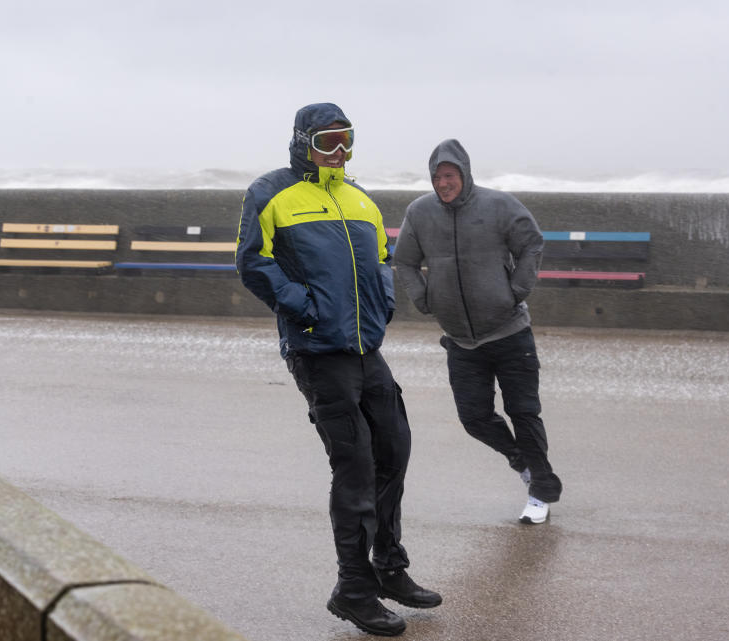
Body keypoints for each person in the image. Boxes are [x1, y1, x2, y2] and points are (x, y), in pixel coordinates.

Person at [235, 102, 441, 637]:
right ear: (304, 141)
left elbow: (381, 259)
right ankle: (353, 589)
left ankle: (388, 569)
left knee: (394, 448)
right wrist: (304, 307)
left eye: (346, 140)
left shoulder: (359, 198)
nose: (339, 151)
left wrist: (383, 304)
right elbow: (252, 261)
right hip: (318, 350)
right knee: (354, 464)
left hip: (365, 347)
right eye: (328, 141)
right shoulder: (271, 193)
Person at [393, 139, 563, 524]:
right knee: (474, 418)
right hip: (460, 340)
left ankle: (540, 492)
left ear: (464, 175)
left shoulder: (499, 206)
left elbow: (532, 244)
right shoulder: (419, 213)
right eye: (437, 177)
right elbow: (403, 260)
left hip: (509, 333)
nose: (443, 184)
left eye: (449, 176)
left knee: (523, 412)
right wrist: (423, 299)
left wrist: (514, 291)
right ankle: (524, 462)